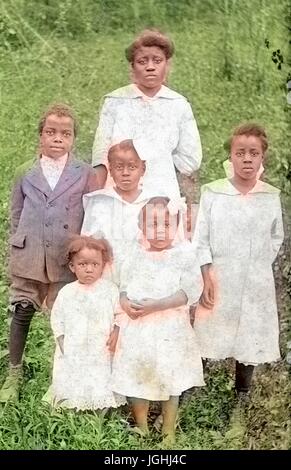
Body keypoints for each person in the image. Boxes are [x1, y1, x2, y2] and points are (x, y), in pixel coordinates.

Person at [0, 103, 98, 403]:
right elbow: (17, 214)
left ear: (73, 139)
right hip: (29, 256)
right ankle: (13, 376)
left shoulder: (83, 174)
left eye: (65, 134)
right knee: (22, 310)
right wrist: (23, 241)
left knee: (64, 317)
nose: (57, 138)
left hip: (63, 259)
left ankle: (63, 380)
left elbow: (90, 213)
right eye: (51, 132)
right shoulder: (25, 172)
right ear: (40, 136)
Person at [193, 123, 284, 405]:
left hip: (255, 280)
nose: (247, 159)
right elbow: (201, 238)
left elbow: (275, 236)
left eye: (253, 153)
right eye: (240, 153)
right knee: (208, 331)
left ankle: (241, 397)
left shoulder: (270, 196)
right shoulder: (213, 192)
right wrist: (208, 274)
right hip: (219, 276)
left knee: (249, 335)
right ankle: (192, 389)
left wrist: (256, 266)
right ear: (230, 157)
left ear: (262, 158)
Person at [111, 197, 205, 443]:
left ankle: (169, 430)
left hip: (169, 327)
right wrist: (123, 300)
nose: (160, 230)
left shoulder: (183, 255)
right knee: (136, 374)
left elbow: (189, 292)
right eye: (153, 224)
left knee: (170, 377)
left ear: (176, 226)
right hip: (138, 327)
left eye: (167, 223)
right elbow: (122, 284)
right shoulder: (134, 254)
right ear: (141, 226)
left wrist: (157, 305)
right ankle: (141, 425)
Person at [91, 29, 202, 203]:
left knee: (156, 228)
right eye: (142, 61)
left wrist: (160, 165)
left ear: (167, 64)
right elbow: (101, 150)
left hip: (161, 190)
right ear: (132, 67)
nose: (150, 67)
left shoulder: (178, 104)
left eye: (157, 61)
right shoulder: (115, 101)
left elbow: (191, 157)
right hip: (119, 187)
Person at [46, 235, 126, 411]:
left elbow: (120, 313)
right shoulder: (67, 292)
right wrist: (62, 341)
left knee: (100, 377)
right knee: (75, 377)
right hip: (75, 347)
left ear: (102, 266)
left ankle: (101, 410)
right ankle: (74, 407)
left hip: (101, 347)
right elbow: (57, 318)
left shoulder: (110, 290)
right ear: (72, 267)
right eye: (83, 264)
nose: (89, 269)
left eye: (95, 264)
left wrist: (117, 331)